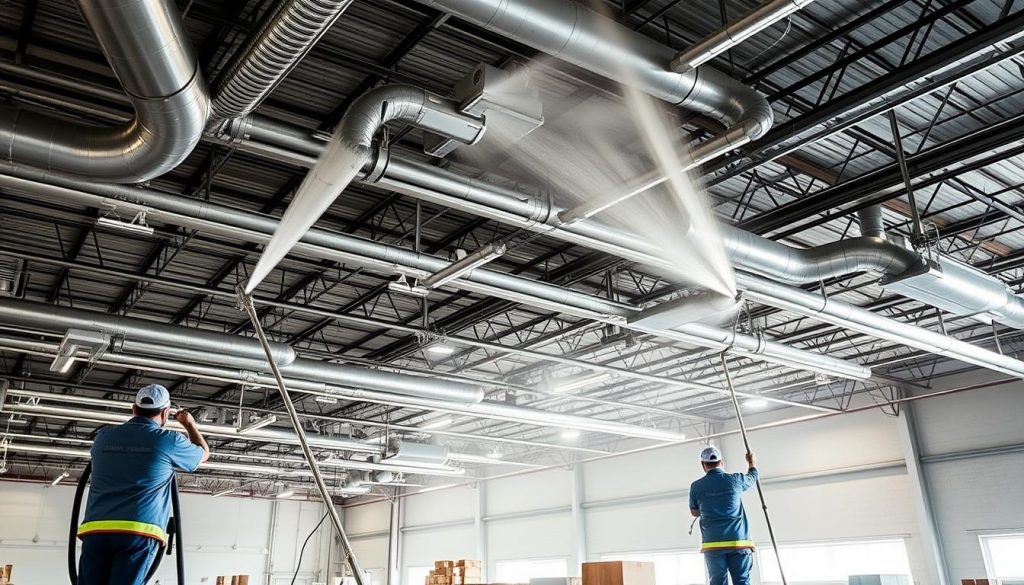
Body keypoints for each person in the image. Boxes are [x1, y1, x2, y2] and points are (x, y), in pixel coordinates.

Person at [77, 384, 210, 585]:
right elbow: (203, 454)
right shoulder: (168, 441)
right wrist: (189, 423)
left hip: (95, 531)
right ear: (165, 412)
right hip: (137, 532)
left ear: (133, 408)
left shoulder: (103, 437)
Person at [689, 446, 758, 585]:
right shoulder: (735, 480)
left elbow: (694, 512)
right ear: (722, 462)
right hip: (739, 542)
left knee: (717, 582)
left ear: (703, 465)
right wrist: (752, 463)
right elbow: (752, 477)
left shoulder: (696, 486)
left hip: (713, 545)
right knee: (742, 581)